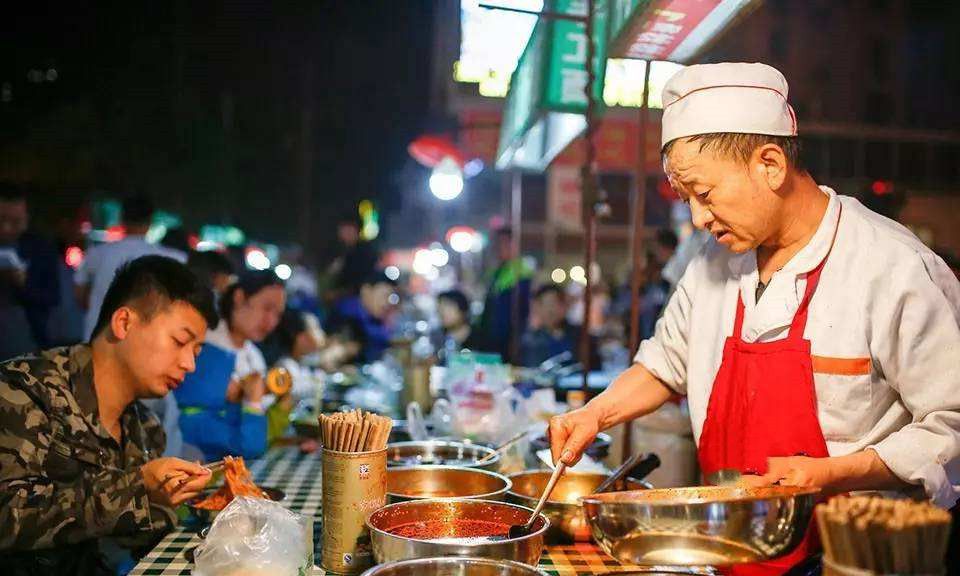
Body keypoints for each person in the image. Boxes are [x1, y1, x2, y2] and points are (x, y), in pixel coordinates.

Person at [547, 63, 960, 574]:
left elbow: (949, 425)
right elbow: (663, 365)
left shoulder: (893, 268)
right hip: (730, 548)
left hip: (850, 558)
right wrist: (594, 414)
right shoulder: (714, 262)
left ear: (770, 164)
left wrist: (830, 473)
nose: (698, 218)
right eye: (686, 199)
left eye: (705, 193)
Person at [0, 255, 217, 575]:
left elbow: (130, 536)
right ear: (124, 322)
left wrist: (177, 502)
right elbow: (8, 516)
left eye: (196, 352)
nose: (190, 364)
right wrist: (137, 486)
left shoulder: (144, 427)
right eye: (180, 342)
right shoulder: (26, 389)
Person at [173, 270, 286, 461]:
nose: (271, 322)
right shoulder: (202, 346)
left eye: (278, 314)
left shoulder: (254, 356)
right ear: (240, 297)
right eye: (267, 308)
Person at [75, 194, 186, 340]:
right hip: (146, 344)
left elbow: (79, 292)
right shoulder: (175, 259)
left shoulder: (97, 253)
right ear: (150, 221)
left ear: (122, 219)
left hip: (98, 339)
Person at [0, 183, 61, 358]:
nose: (6, 228)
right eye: (2, 219)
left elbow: (52, 297)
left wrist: (23, 285)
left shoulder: (40, 248)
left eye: (15, 221)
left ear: (26, 218)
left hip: (27, 345)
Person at [476, 227, 533, 362]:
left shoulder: (522, 272)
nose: (501, 247)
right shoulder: (497, 271)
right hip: (491, 341)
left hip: (509, 343)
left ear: (515, 244)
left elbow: (521, 312)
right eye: (498, 243)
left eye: (506, 242)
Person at [327, 270, 396, 363]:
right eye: (384, 296)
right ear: (366, 291)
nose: (386, 303)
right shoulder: (347, 311)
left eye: (390, 298)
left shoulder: (375, 318)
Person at [520, 284, 597, 368]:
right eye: (546, 305)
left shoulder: (582, 336)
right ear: (537, 308)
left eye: (553, 304)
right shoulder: (529, 339)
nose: (550, 310)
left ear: (564, 305)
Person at [324, 213, 380, 300]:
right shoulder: (341, 250)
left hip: (359, 301)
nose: (343, 233)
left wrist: (338, 293)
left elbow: (363, 280)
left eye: (347, 230)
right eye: (342, 230)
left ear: (355, 230)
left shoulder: (364, 251)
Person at [432, 289, 483, 362]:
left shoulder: (479, 338)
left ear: (463, 310)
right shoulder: (436, 337)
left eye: (449, 308)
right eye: (440, 308)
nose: (443, 313)